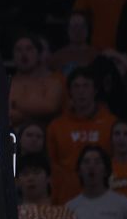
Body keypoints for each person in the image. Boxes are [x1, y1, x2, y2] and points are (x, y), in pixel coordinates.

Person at [46, 67, 117, 204]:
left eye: (86, 85)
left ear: (95, 90)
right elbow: (52, 165)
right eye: (76, 86)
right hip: (66, 197)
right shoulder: (56, 126)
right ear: (70, 92)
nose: (81, 91)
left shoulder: (111, 123)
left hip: (104, 194)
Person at [8, 34, 64, 129]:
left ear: (39, 54)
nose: (24, 54)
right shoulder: (6, 83)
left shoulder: (52, 83)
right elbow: (4, 113)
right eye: (19, 50)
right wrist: (34, 113)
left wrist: (14, 103)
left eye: (29, 49)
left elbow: (50, 107)